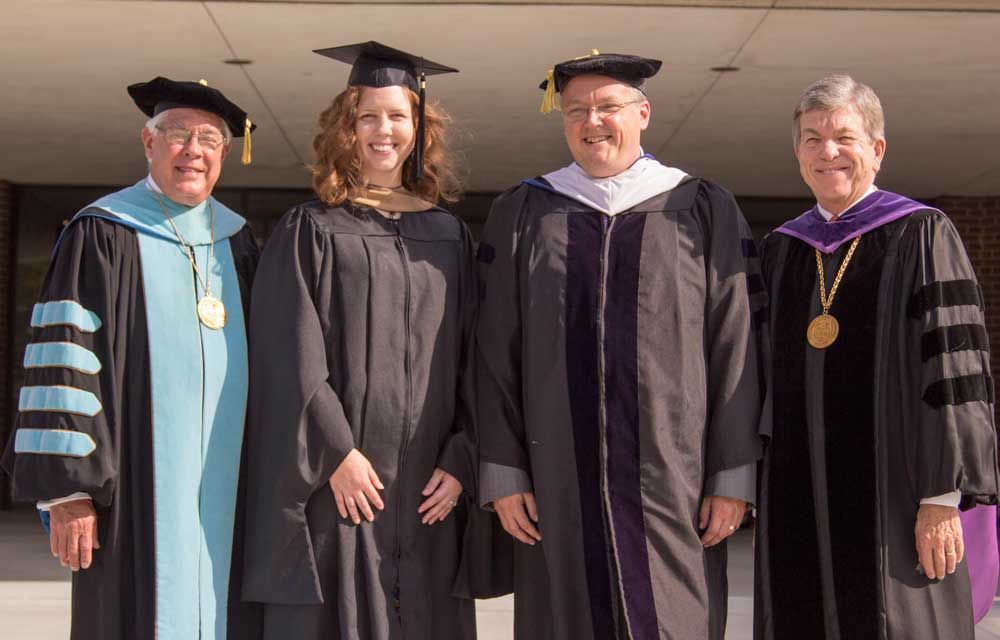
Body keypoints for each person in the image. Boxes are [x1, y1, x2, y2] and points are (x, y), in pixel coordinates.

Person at [476, 50, 766, 640]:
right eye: (575, 110)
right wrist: (504, 471)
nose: (592, 122)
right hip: (555, 479)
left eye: (608, 106)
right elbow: (494, 349)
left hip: (675, 481)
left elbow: (736, 343)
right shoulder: (524, 211)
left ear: (643, 114)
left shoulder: (701, 207)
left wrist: (731, 475)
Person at [243, 42, 505, 640]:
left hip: (429, 489)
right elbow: (288, 353)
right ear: (346, 127)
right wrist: (335, 452)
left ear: (418, 129)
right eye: (368, 117)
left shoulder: (448, 235)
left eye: (397, 116)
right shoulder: (311, 228)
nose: (383, 130)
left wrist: (461, 459)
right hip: (342, 484)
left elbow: (476, 358)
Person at [0, 76, 261, 640]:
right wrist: (70, 493)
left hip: (233, 487)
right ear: (148, 142)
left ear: (224, 154)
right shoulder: (101, 233)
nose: (193, 150)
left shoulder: (239, 243)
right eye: (177, 134)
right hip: (132, 492)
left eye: (209, 139)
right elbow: (64, 365)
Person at [754, 74, 1000, 639]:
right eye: (812, 139)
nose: (828, 152)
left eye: (844, 137)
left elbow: (955, 370)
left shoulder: (921, 235)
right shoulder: (781, 251)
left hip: (899, 496)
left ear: (877, 148)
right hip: (795, 500)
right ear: (798, 154)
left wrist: (942, 497)